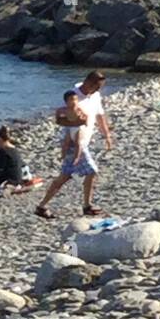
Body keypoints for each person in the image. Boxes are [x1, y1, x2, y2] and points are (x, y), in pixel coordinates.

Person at [35, 70, 114, 219]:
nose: (98, 90)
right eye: (96, 87)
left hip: (84, 141)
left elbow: (99, 115)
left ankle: (42, 206)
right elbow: (60, 120)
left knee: (65, 176)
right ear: (88, 82)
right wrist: (74, 129)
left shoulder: (95, 96)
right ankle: (86, 206)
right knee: (91, 171)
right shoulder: (73, 97)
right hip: (74, 142)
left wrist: (107, 135)